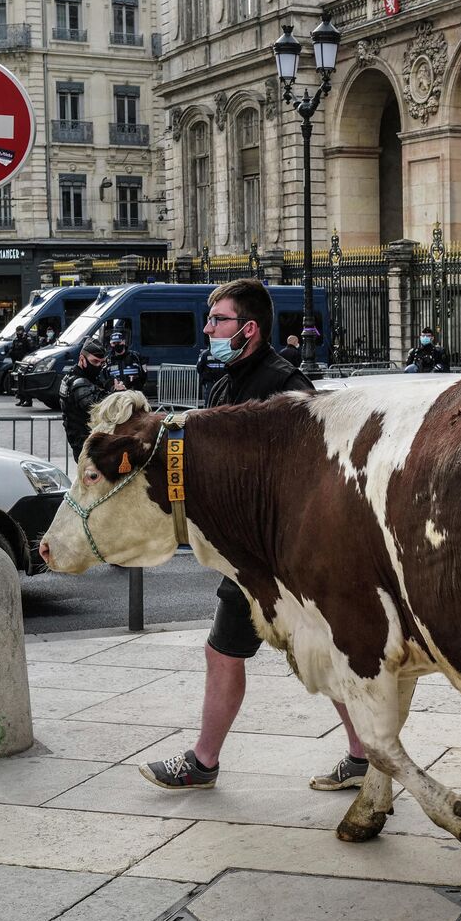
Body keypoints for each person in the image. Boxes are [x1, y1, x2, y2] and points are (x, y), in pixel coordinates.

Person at [140, 277, 372, 793]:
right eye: (209, 320)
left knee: (280, 654)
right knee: (310, 656)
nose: (208, 330)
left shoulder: (285, 385)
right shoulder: (226, 381)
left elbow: (310, 475)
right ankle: (362, 756)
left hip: (278, 560)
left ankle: (204, 762)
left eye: (217, 321)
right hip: (247, 556)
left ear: (248, 328)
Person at [59, 339, 113, 456]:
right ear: (82, 359)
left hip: (88, 441)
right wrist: (115, 393)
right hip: (85, 444)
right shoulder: (77, 382)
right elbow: (95, 407)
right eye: (95, 362)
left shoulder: (80, 377)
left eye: (101, 363)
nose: (98, 366)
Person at [8, 326, 37, 407]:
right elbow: (12, 349)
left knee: (24, 382)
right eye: (17, 331)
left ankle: (28, 400)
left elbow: (32, 350)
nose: (18, 333)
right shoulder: (16, 340)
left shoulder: (27, 339)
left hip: (24, 364)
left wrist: (26, 358)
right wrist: (11, 353)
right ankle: (21, 399)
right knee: (17, 382)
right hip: (17, 363)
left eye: (20, 331)